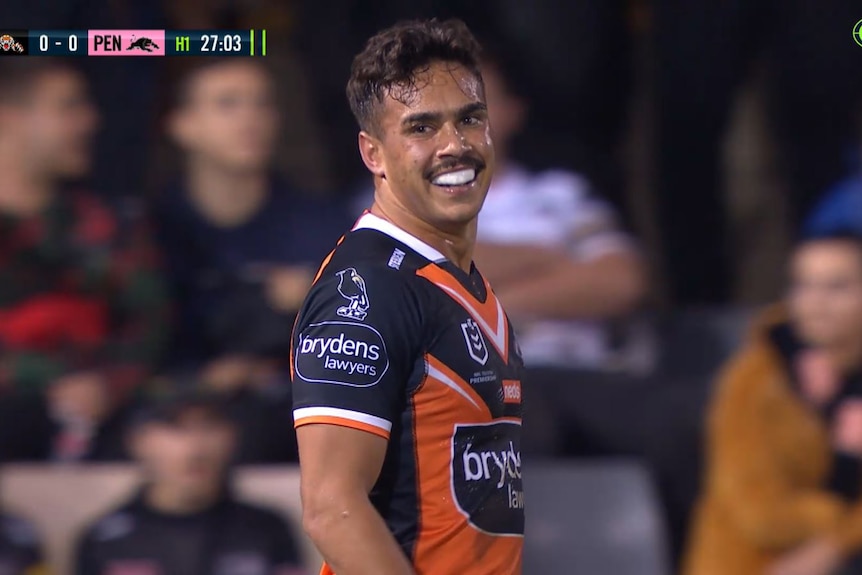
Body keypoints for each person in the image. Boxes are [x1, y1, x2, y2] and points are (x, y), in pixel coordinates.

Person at [291, 19, 524, 575]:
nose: (455, 145)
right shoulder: (370, 290)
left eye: (470, 118)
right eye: (422, 127)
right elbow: (330, 507)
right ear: (373, 153)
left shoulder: (460, 279)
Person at [154, 58, 350, 462]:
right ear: (181, 125)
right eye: (228, 104)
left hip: (291, 413)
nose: (250, 118)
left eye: (262, 104)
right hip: (173, 414)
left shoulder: (322, 224)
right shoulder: (151, 228)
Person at [0, 58, 169, 462]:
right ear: (9, 118)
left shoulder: (107, 224)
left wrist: (107, 386)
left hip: (100, 420)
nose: (90, 121)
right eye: (68, 107)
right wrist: (38, 380)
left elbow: (151, 322)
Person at [684, 231, 862, 575]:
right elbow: (763, 517)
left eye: (837, 287)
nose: (815, 303)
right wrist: (839, 520)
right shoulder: (756, 379)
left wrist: (835, 545)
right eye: (803, 286)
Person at [473, 43, 650, 375]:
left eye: (480, 103)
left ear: (513, 111)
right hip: (486, 389)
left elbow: (621, 283)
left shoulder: (563, 194)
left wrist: (485, 307)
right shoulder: (409, 205)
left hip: (589, 379)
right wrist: (546, 257)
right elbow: (427, 282)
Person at [74, 390, 307, 575]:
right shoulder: (104, 539)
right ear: (138, 440)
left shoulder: (267, 529)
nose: (196, 447)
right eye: (176, 427)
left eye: (209, 426)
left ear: (233, 437)